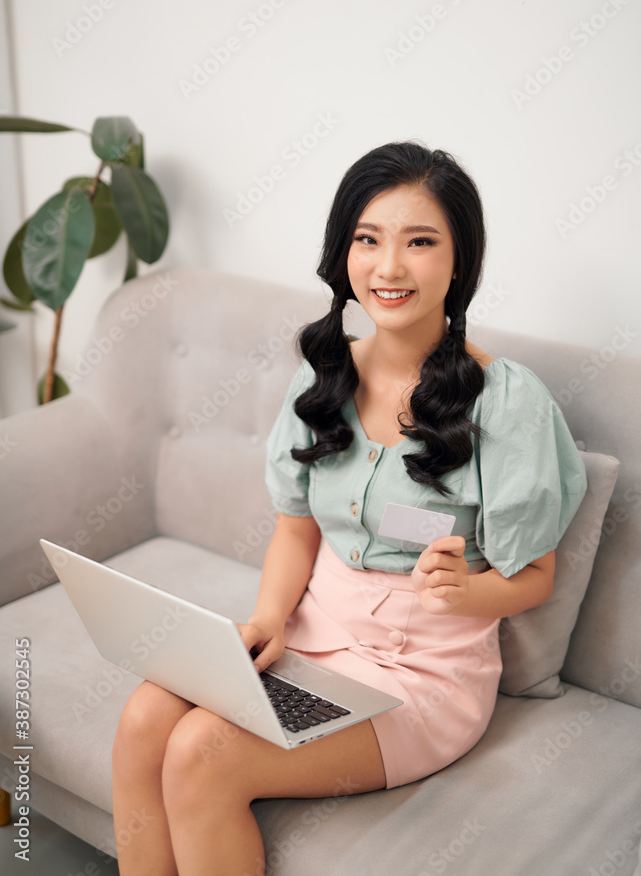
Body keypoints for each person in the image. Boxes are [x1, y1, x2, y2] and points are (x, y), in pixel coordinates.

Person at [111, 141, 587, 875]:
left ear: (459, 262)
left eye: (420, 243)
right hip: (310, 640)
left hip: (419, 675)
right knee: (147, 715)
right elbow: (294, 532)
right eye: (368, 240)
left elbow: (536, 579)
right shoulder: (324, 375)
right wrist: (268, 620)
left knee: (202, 754)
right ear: (343, 254)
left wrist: (469, 592)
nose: (389, 268)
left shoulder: (508, 402)